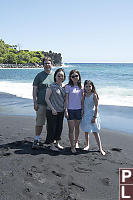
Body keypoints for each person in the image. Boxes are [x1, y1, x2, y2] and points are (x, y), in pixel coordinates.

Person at [32, 57, 54, 149]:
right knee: (40, 123)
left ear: (51, 64)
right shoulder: (39, 75)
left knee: (50, 124)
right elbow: (34, 90)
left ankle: (49, 140)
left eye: (48, 63)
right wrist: (35, 102)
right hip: (41, 103)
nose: (47, 65)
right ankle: (36, 139)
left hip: (52, 105)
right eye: (45, 63)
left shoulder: (55, 75)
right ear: (43, 65)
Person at [80, 80, 106, 155]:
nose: (88, 88)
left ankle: (100, 148)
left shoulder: (94, 95)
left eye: (89, 86)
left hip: (92, 115)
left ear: (92, 87)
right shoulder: (84, 95)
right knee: (86, 131)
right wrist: (82, 112)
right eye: (86, 86)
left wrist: (94, 117)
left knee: (95, 132)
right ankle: (87, 145)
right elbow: (82, 105)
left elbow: (97, 107)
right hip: (85, 115)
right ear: (84, 87)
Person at [45, 68, 66, 151]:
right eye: (59, 76)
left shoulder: (64, 87)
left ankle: (57, 143)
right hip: (52, 111)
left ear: (64, 77)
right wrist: (52, 109)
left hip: (61, 110)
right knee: (51, 128)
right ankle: (51, 145)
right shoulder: (51, 86)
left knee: (59, 128)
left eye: (62, 76)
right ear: (55, 77)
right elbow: (46, 99)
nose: (60, 77)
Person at [65, 70, 83, 153]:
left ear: (79, 77)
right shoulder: (68, 87)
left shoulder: (81, 87)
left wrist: (83, 110)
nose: (75, 77)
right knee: (71, 129)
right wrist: (66, 110)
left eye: (76, 76)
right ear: (70, 78)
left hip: (79, 110)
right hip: (70, 110)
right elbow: (66, 99)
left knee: (77, 128)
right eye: (73, 76)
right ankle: (72, 146)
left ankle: (76, 142)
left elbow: (83, 99)